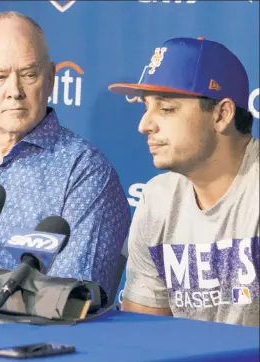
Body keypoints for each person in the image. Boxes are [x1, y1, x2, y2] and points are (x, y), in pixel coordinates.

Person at [0, 11, 131, 303]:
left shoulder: (85, 171)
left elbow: (71, 297)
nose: (14, 91)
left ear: (50, 78)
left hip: (27, 342)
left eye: (28, 75)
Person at [109, 37, 259, 326]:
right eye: (146, 107)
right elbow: (143, 335)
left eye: (167, 109)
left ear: (222, 114)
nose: (144, 125)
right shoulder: (158, 199)